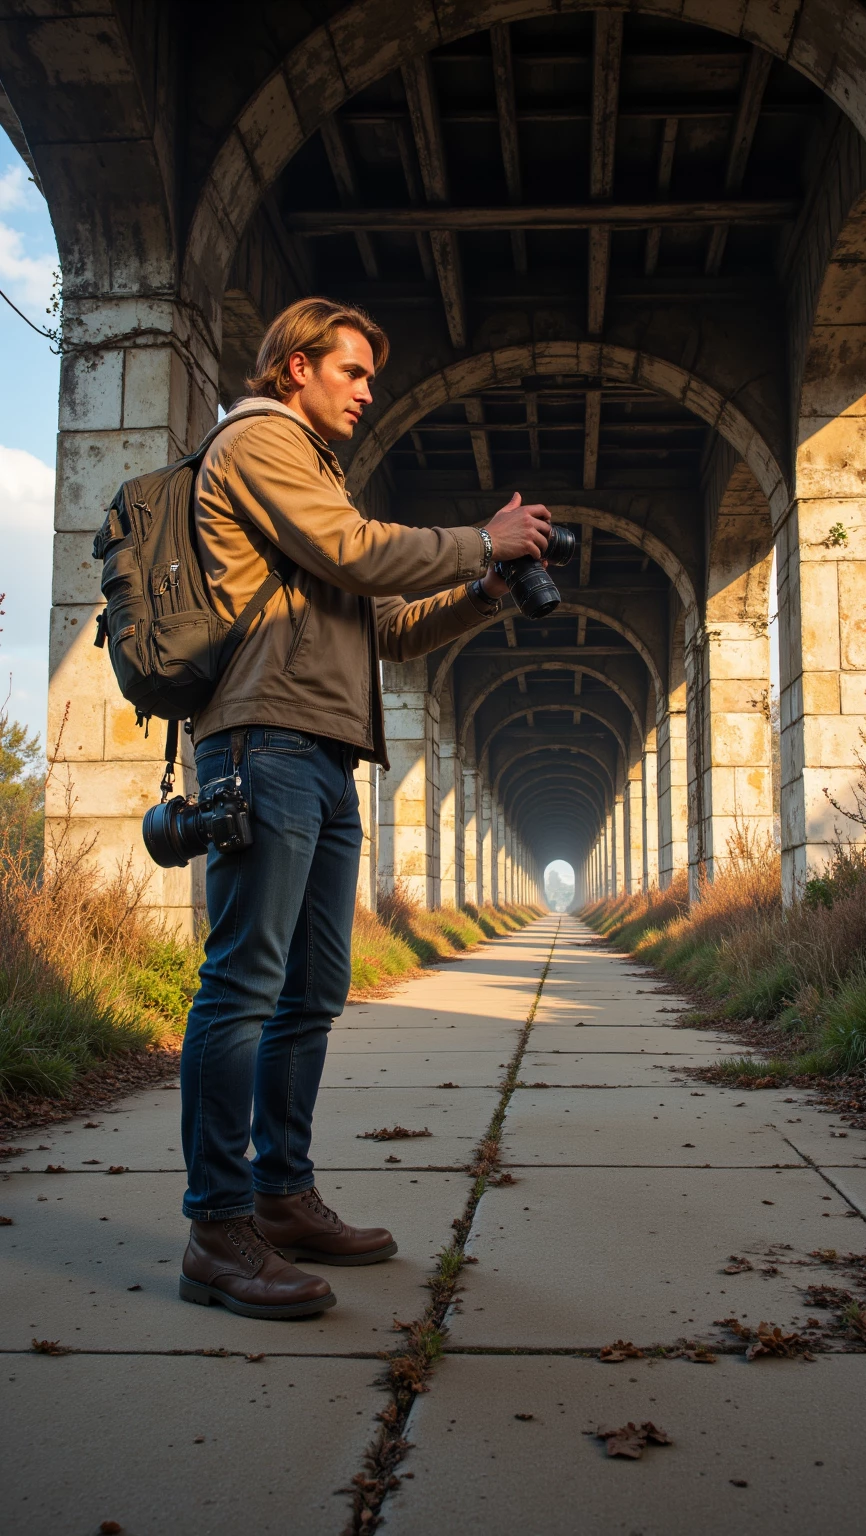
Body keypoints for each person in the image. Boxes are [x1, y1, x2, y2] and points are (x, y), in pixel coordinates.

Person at [176, 297, 551, 1320]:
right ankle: (218, 1229)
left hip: (325, 753)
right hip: (262, 741)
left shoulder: (316, 477)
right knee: (243, 984)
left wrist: (483, 585)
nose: (367, 390)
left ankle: (283, 1197)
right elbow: (353, 551)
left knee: (309, 992)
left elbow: (385, 624)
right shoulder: (259, 439)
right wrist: (479, 532)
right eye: (352, 372)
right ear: (296, 367)